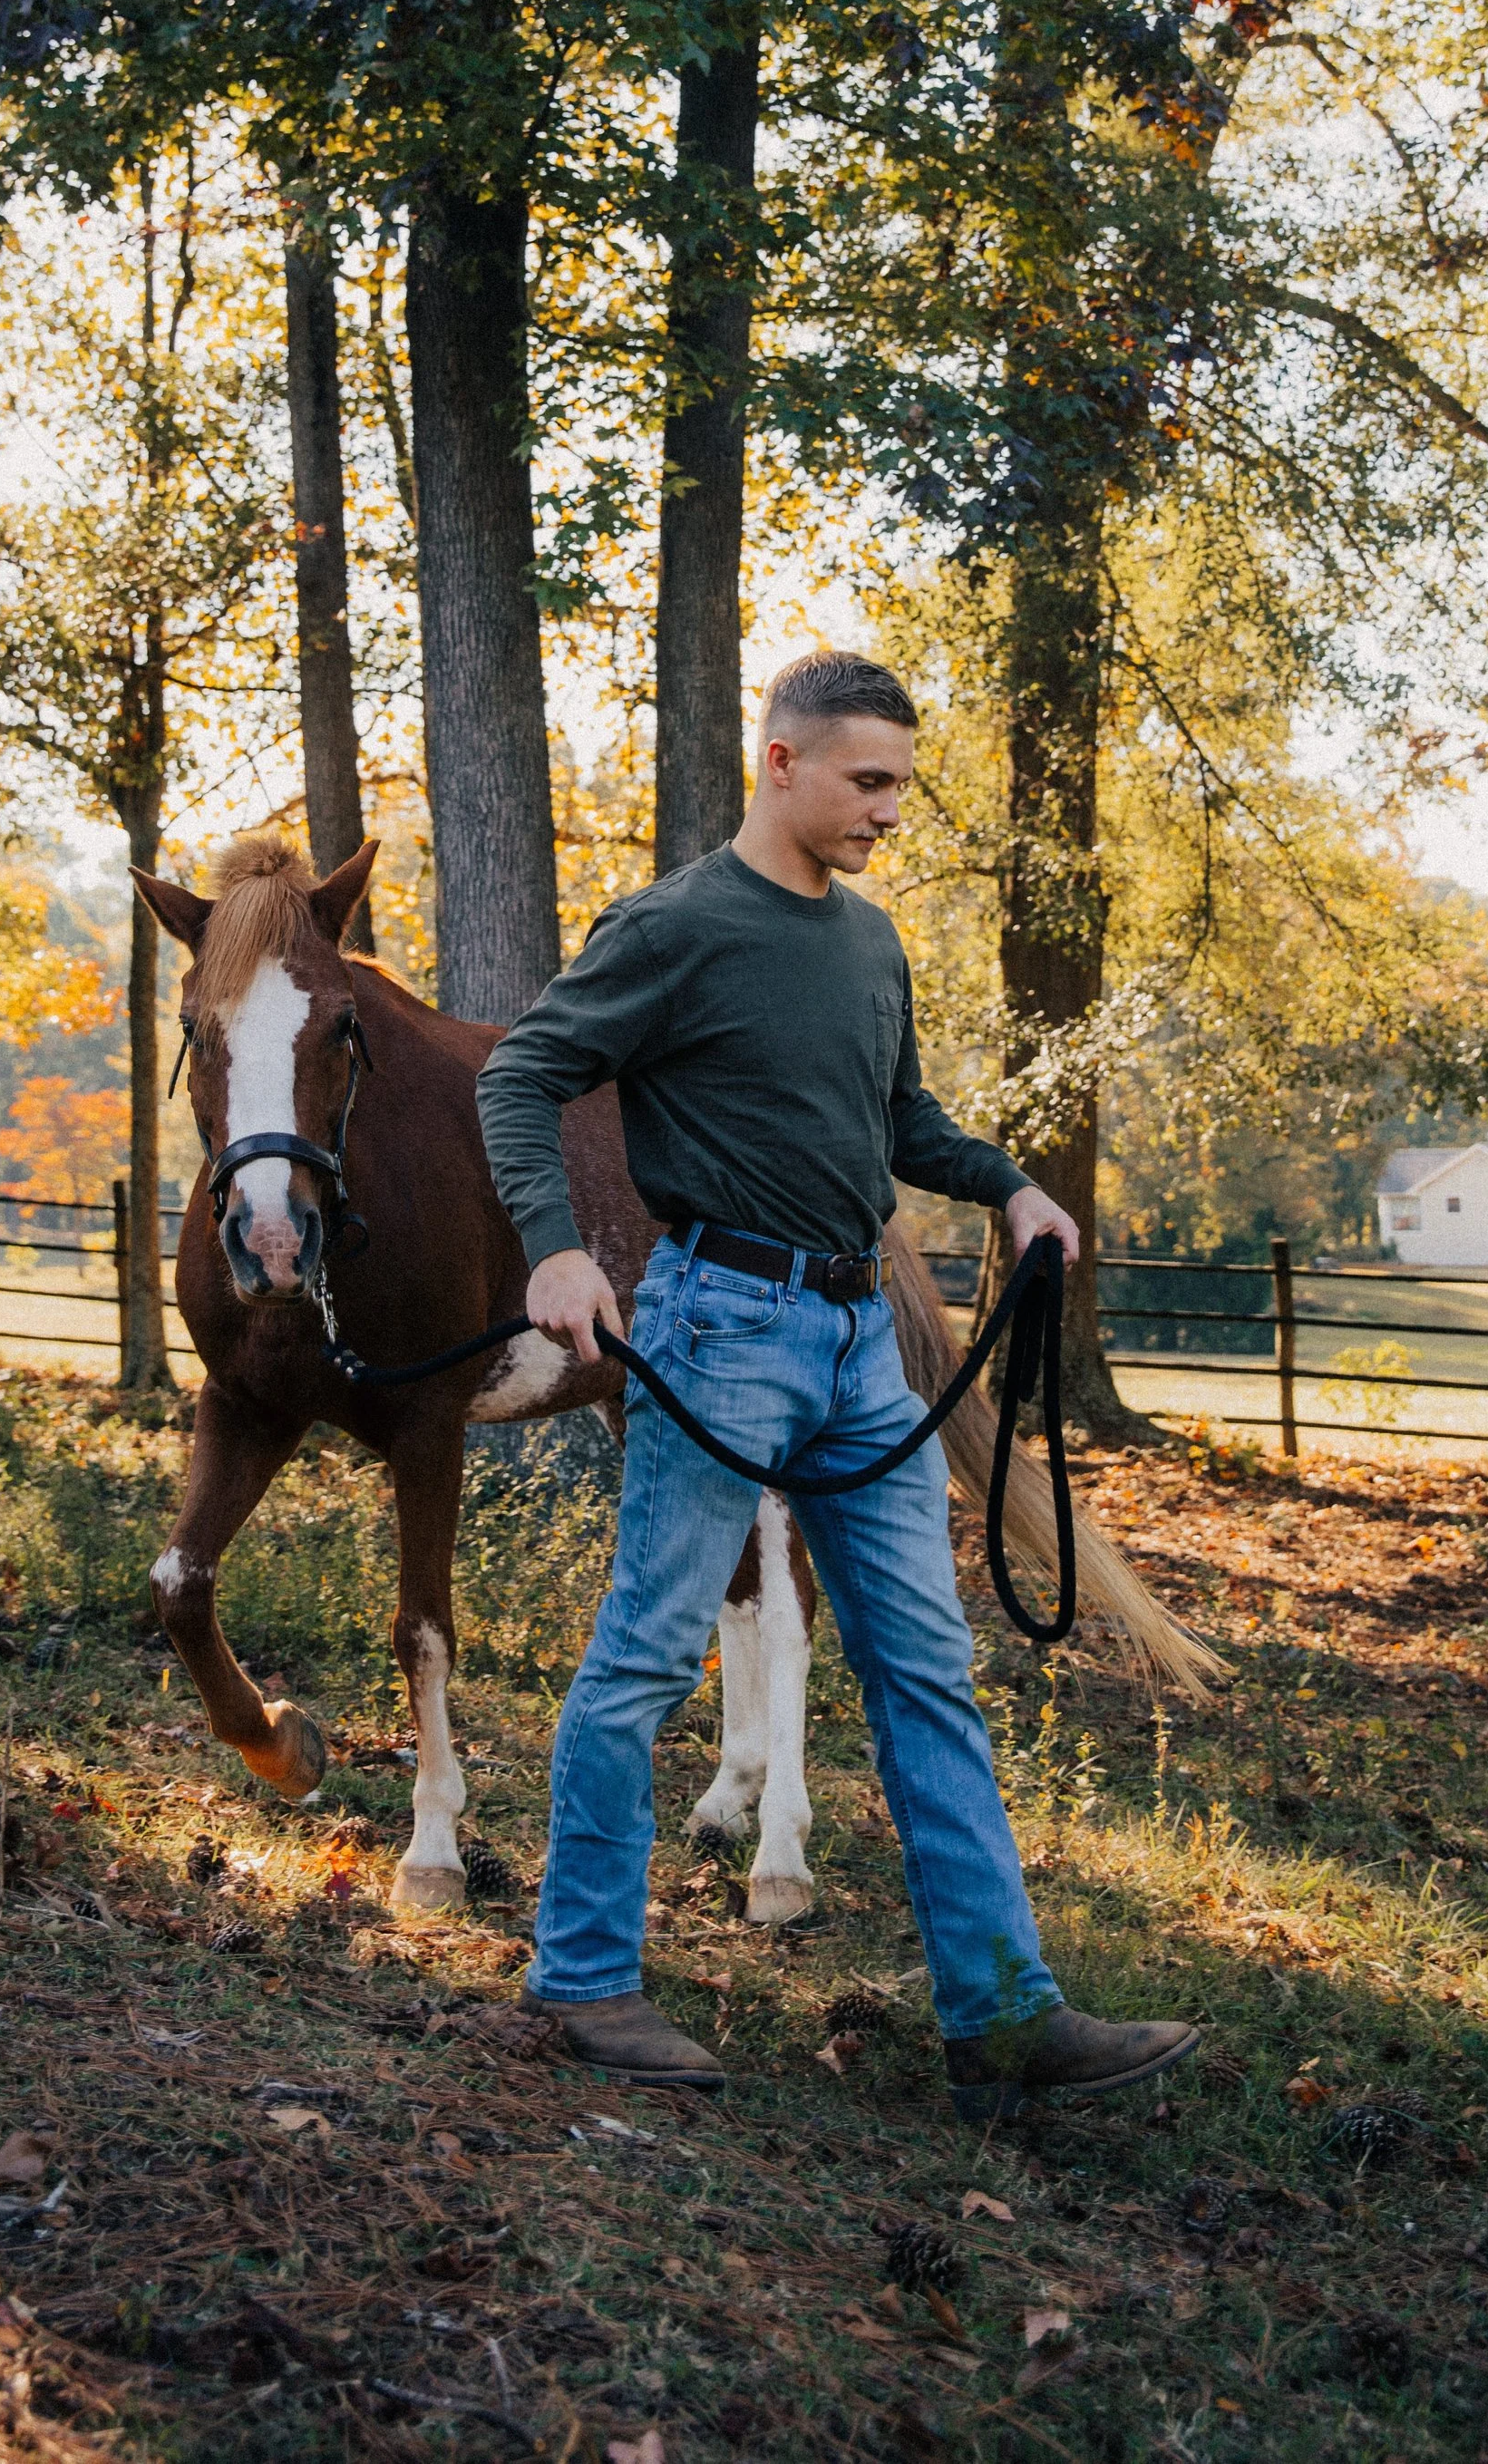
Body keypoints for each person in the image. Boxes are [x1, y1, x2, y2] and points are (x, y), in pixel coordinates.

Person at [476, 649, 1201, 2114]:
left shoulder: (869, 944)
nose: (888, 810)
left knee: (927, 1668)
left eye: (901, 786)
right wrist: (556, 1252)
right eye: (868, 781)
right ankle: (582, 1976)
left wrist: (1008, 1185)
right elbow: (521, 1075)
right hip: (718, 1326)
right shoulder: (675, 926)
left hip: (861, 1334)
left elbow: (901, 1118)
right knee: (642, 1661)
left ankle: (1004, 2022)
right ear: (781, 761)